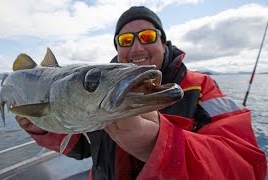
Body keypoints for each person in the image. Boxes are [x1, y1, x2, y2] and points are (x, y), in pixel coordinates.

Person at [16, 6, 267, 179]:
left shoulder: (202, 88)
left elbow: (247, 168)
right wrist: (42, 128)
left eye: (147, 36)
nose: (137, 47)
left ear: (163, 41)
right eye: (126, 40)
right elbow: (82, 147)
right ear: (117, 48)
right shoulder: (96, 90)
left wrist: (158, 143)